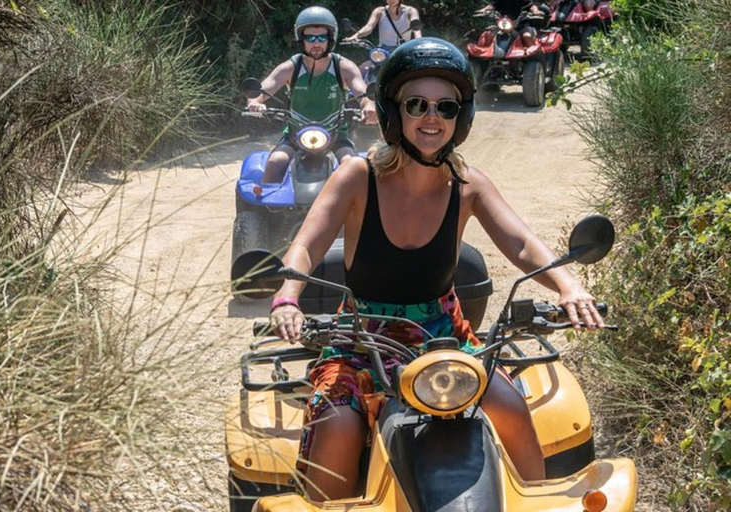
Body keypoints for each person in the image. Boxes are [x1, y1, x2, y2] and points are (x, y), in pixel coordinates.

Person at [268, 37, 605, 501]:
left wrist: (569, 285)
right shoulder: (356, 177)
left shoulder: (466, 185)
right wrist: (287, 296)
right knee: (337, 424)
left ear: (460, 118)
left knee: (508, 406)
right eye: (417, 104)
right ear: (394, 112)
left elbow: (523, 243)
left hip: (446, 340)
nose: (432, 117)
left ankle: (534, 500)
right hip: (362, 339)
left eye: (446, 107)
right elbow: (304, 247)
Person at [246, 6, 376, 184]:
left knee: (352, 165)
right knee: (276, 161)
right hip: (295, 133)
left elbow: (363, 92)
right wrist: (255, 101)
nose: (316, 43)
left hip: (336, 134)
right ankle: (266, 210)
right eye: (310, 38)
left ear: (331, 38)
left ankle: (361, 210)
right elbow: (263, 89)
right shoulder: (291, 67)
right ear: (301, 39)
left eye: (322, 37)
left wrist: (369, 106)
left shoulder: (343, 66)